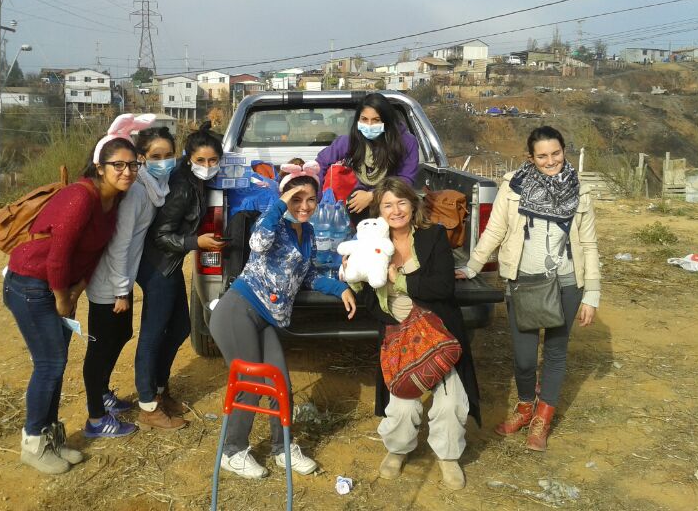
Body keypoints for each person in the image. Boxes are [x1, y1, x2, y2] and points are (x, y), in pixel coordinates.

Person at [208, 160, 357, 479]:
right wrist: (280, 203)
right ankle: (232, 451)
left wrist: (340, 288)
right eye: (296, 198)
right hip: (239, 310)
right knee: (251, 383)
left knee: (280, 383)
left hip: (266, 319)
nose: (304, 206)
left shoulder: (310, 232)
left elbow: (308, 275)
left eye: (311, 199)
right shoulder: (272, 223)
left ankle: (282, 448)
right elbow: (257, 243)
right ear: (284, 198)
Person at [455, 126, 600, 452]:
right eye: (543, 156)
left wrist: (592, 294)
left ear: (564, 150)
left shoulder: (581, 191)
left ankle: (542, 419)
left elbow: (589, 245)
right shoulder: (513, 187)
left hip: (566, 283)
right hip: (523, 281)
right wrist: (472, 265)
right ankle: (524, 407)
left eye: (556, 154)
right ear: (530, 158)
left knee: (556, 352)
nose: (551, 161)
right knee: (523, 358)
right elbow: (495, 231)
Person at [3, 134, 139, 474]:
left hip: (59, 287)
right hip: (30, 283)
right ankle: (33, 443)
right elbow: (59, 254)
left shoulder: (113, 201)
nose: (127, 172)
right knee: (49, 364)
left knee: (56, 363)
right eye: (118, 165)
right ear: (99, 167)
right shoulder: (81, 196)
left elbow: (93, 252)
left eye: (133, 165)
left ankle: (51, 438)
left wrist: (77, 289)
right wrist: (63, 297)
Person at [347, 177, 479, 490]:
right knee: (402, 401)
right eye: (388, 205)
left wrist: (401, 281)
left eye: (401, 202)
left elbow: (443, 287)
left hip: (436, 327)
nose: (396, 210)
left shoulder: (433, 236)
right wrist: (348, 286)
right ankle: (398, 449)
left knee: (451, 401)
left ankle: (448, 456)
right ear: (379, 211)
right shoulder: (371, 243)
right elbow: (365, 291)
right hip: (397, 330)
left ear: (412, 203)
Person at [83, 125, 176, 438]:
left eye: (169, 155)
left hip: (120, 278)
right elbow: (118, 246)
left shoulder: (148, 185)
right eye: (155, 156)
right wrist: (122, 291)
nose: (163, 162)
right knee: (101, 346)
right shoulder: (137, 193)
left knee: (120, 336)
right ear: (142, 158)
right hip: (108, 282)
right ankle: (96, 417)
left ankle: (102, 392)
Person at [135, 121, 226, 430]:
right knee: (152, 335)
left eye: (213, 160)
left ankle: (160, 391)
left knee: (180, 328)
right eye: (200, 160)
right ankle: (148, 405)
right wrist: (194, 242)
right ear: (188, 158)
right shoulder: (182, 186)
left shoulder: (197, 183)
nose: (207, 166)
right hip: (158, 265)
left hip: (170, 264)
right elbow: (162, 235)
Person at [316, 92, 419, 223]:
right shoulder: (350, 141)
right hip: (362, 195)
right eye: (364, 119)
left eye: (376, 120)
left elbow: (406, 180)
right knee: (354, 204)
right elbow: (320, 163)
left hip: (395, 196)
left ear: (386, 121)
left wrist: (373, 196)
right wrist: (315, 198)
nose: (369, 125)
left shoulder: (406, 141)